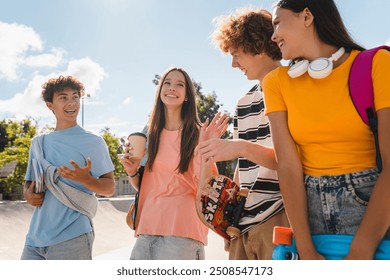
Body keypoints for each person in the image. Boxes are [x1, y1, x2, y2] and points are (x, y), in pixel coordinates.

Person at [263, 0, 390, 259]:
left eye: (277, 22)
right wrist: (306, 250)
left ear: (307, 16)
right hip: (309, 219)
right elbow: (288, 166)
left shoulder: (378, 63)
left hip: (373, 218)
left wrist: (361, 251)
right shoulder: (275, 83)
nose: (273, 35)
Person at [196, 7, 289, 260]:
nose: (233, 64)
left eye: (236, 54)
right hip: (242, 226)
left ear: (258, 46)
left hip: (280, 219)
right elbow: (241, 168)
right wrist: (230, 219)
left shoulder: (295, 87)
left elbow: (292, 161)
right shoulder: (243, 103)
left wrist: (238, 147)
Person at [120, 67, 223, 260]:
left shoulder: (198, 134)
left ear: (186, 96)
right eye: (167, 83)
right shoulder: (149, 133)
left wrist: (207, 150)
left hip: (183, 230)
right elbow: (143, 186)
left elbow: (207, 189)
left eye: (179, 85)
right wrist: (132, 171)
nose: (172, 88)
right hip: (147, 228)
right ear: (160, 91)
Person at [22, 75, 115, 260]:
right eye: (63, 97)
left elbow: (109, 187)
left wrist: (85, 179)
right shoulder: (38, 143)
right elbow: (29, 183)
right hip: (34, 239)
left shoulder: (94, 142)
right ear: (50, 105)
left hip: (73, 237)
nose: (71, 103)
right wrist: (28, 195)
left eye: (75, 97)